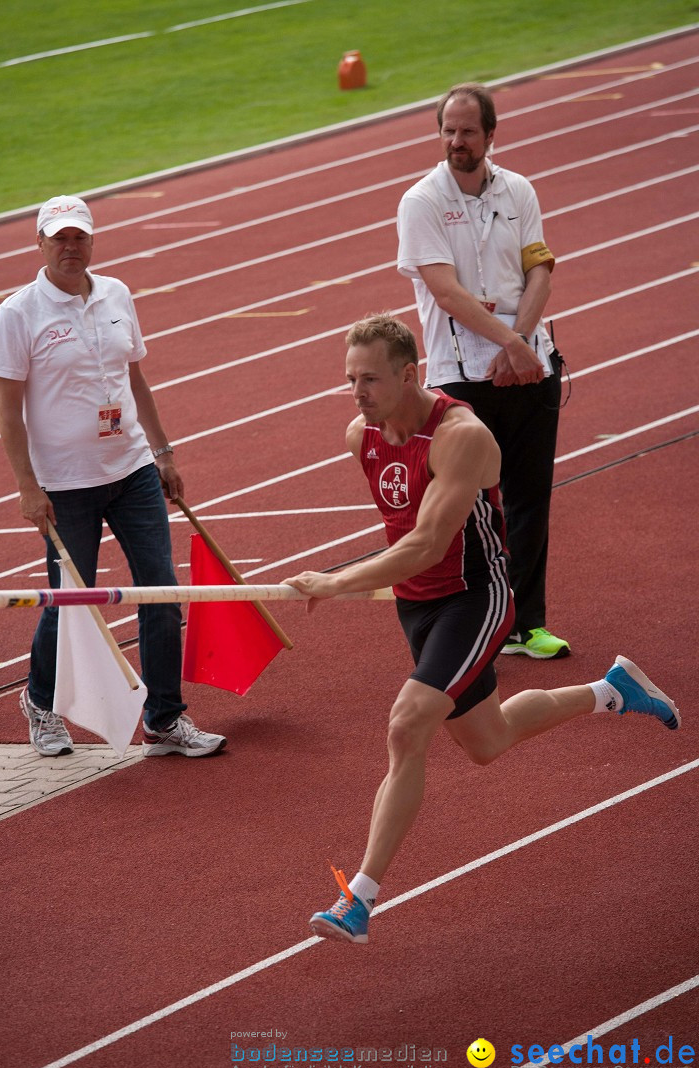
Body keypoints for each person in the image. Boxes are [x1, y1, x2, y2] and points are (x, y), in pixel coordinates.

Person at [283, 314, 680, 945]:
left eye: (370, 379)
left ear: (410, 374)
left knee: (407, 723)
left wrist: (336, 581)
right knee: (487, 740)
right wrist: (358, 582)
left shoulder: (461, 434)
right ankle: (612, 691)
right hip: (419, 606)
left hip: (477, 597)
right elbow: (408, 549)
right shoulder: (362, 435)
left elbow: (427, 541)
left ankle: (358, 900)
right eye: (349, 379)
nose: (357, 393)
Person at [0, 195, 226, 759]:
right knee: (70, 604)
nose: (70, 248)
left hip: (134, 469)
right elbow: (5, 409)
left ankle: (164, 717)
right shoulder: (19, 313)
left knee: (162, 592)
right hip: (65, 484)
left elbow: (135, 379)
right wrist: (26, 484)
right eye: (59, 238)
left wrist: (163, 452)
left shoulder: (117, 294)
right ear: (40, 243)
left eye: (79, 238)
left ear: (92, 241)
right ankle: (41, 704)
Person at [397, 82, 568, 660]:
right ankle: (469, 619)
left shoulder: (519, 190)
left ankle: (529, 623)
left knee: (529, 498)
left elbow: (539, 268)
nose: (456, 141)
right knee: (464, 505)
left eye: (468, 131)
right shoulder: (421, 201)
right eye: (448, 130)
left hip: (528, 368)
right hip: (461, 376)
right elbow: (445, 292)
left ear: (490, 135)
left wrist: (521, 345)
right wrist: (510, 343)